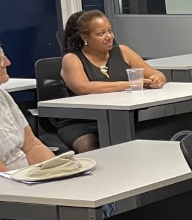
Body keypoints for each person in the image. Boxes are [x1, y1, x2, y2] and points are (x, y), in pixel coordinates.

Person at [55, 9, 167, 153]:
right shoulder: (72, 59)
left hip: (118, 120)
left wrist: (158, 78)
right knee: (92, 148)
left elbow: (154, 73)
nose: (109, 37)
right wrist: (127, 85)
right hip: (82, 123)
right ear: (85, 37)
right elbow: (83, 88)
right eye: (100, 33)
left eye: (110, 31)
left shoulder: (123, 51)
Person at [0, 35, 55, 220]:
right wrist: (39, 189)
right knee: (78, 212)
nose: (7, 63)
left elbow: (31, 145)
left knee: (98, 202)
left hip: (26, 183)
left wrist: (57, 172)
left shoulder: (0, 96)